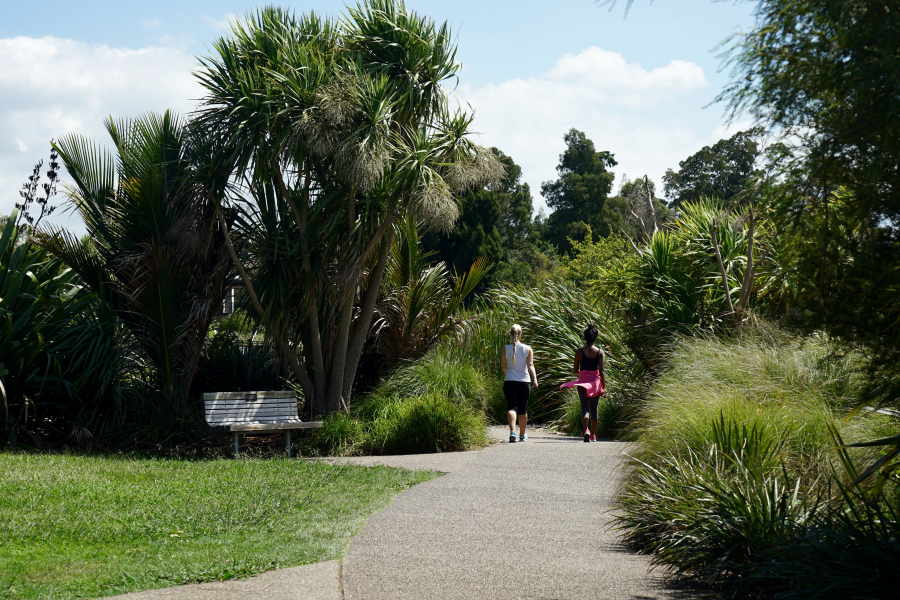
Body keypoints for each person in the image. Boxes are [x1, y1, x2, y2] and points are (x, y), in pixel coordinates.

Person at [560, 324, 606, 442]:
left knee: (585, 408)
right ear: (595, 338)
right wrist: (603, 387)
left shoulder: (579, 351)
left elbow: (575, 369)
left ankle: (586, 430)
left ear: (585, 338)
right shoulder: (600, 352)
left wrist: (581, 373)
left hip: (582, 382)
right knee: (594, 409)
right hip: (595, 383)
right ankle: (593, 435)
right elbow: (602, 371)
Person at [501, 324, 538, 443]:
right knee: (523, 409)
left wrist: (508, 375)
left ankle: (512, 432)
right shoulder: (528, 349)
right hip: (524, 382)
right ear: (520, 334)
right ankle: (522, 435)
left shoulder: (504, 349)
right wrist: (535, 379)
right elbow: (530, 365)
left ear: (510, 334)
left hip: (510, 381)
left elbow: (504, 367)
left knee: (512, 407)